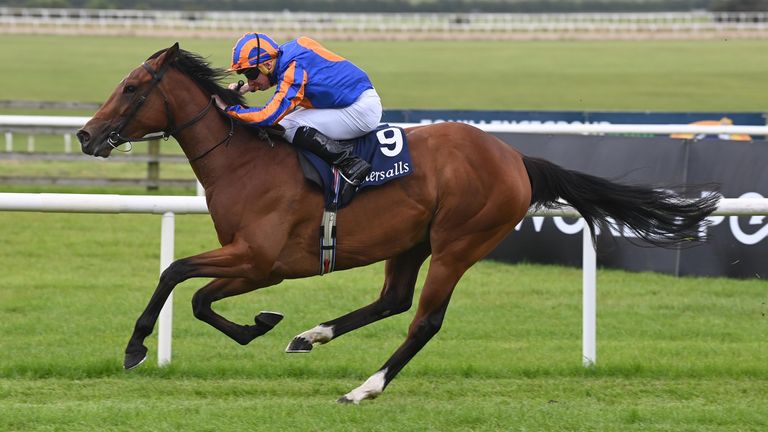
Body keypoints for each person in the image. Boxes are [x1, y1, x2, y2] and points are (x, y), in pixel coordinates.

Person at [214, 33, 382, 195]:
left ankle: (351, 164)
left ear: (267, 65)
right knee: (289, 122)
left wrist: (231, 110)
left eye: (251, 74)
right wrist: (249, 87)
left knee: (287, 125)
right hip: (352, 99)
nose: (250, 80)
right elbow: (279, 75)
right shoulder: (288, 52)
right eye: (245, 75)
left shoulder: (293, 68)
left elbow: (269, 116)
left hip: (361, 110)